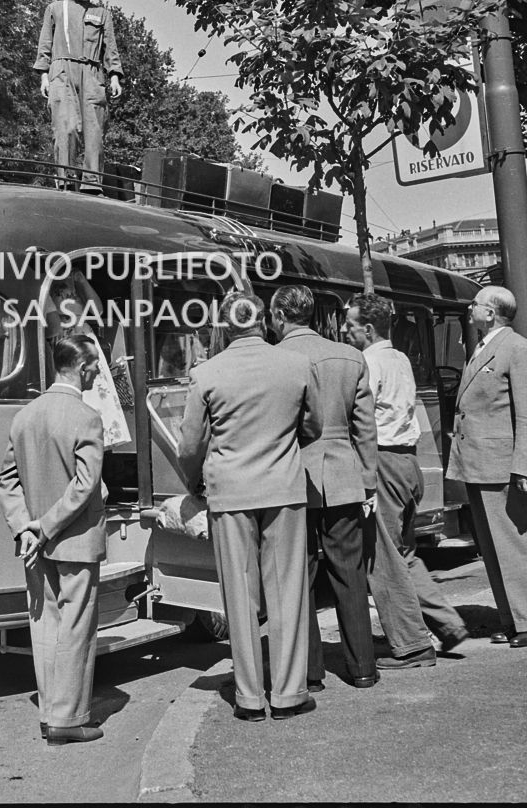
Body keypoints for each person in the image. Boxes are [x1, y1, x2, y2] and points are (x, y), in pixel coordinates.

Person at [273, 285, 436, 684]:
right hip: (345, 476)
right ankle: (362, 668)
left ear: (278, 316)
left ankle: (308, 672)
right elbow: (365, 429)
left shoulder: (274, 359)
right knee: (350, 572)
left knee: (299, 576)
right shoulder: (349, 357)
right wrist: (366, 480)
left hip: (294, 477)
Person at [177, 292, 321, 721]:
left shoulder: (206, 373)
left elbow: (190, 444)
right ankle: (289, 694)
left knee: (238, 594)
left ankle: (249, 696)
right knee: (288, 590)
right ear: (264, 321)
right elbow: (312, 425)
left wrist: (195, 480)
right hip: (283, 488)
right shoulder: (296, 365)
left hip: (230, 491)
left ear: (224, 324)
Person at [344, 294, 470, 658]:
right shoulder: (400, 358)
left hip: (381, 460)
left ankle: (412, 645)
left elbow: (359, 418)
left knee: (382, 557)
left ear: (367, 329)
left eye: (350, 325)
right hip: (408, 462)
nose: (344, 330)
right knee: (405, 552)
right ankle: (447, 624)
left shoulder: (365, 363)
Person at [0, 334, 107, 745]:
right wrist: (46, 526)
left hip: (33, 544)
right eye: (94, 365)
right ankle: (69, 718)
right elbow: (85, 485)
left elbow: (6, 480)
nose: (97, 371)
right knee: (77, 627)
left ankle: (49, 714)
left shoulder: (24, 415)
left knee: (44, 625)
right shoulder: (86, 417)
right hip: (74, 539)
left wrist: (25, 526)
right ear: (81, 368)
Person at [447, 285, 527, 647]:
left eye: (476, 304)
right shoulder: (484, 347)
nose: (470, 308)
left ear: (490, 313)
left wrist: (525, 468)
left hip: (505, 466)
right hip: (479, 464)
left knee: (519, 543)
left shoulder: (517, 349)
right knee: (495, 548)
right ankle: (513, 619)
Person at [33, 0, 123, 193]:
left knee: (94, 130)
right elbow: (45, 44)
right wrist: (43, 76)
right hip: (62, 71)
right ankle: (65, 181)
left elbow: (110, 48)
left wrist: (114, 76)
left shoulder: (102, 14)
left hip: (93, 74)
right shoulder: (55, 8)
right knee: (66, 127)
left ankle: (92, 184)